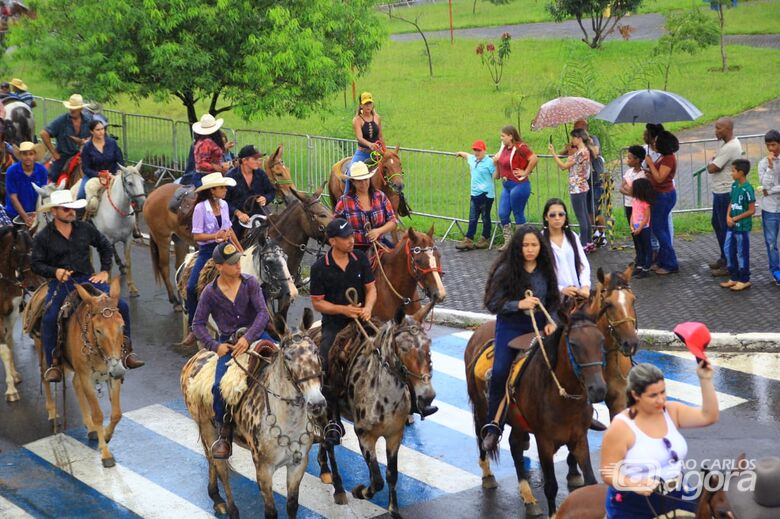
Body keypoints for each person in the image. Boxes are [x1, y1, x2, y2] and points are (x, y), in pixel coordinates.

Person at [31, 190, 144, 383]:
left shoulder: (84, 228)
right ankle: (53, 364)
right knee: (50, 317)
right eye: (66, 209)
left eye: (73, 208)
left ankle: (126, 352)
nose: (71, 212)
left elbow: (105, 245)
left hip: (87, 279)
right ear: (55, 212)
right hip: (61, 284)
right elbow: (36, 264)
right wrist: (55, 271)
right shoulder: (44, 237)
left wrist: (105, 271)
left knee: (122, 306)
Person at [600, 359, 719, 519]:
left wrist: (705, 380)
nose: (661, 400)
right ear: (636, 394)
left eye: (663, 392)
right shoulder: (621, 427)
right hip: (635, 504)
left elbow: (709, 416)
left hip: (677, 493)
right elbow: (608, 472)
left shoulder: (671, 411)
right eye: (653, 395)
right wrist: (633, 484)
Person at [481, 225, 559, 452]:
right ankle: (493, 426)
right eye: (525, 245)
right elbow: (492, 304)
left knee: (566, 360)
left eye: (534, 245)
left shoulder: (545, 270)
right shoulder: (506, 270)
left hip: (540, 328)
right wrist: (519, 304)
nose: (530, 249)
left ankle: (578, 413)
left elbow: (553, 301)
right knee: (500, 373)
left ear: (540, 247)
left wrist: (552, 321)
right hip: (511, 328)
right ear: (518, 246)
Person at [192, 241, 272, 459]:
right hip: (228, 343)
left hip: (256, 335)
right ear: (220, 267)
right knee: (219, 388)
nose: (238, 265)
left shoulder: (250, 283)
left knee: (289, 364)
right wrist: (215, 345)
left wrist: (248, 338)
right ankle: (224, 434)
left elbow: (263, 314)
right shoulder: (210, 293)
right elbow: (197, 324)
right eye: (232, 263)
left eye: (238, 261)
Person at [310, 217, 377, 440]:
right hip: (335, 324)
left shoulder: (360, 258)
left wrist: (368, 307)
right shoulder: (320, 267)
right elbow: (317, 302)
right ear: (332, 241)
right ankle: (332, 418)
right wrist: (343, 310)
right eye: (346, 237)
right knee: (326, 361)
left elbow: (371, 289)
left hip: (363, 320)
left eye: (351, 235)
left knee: (392, 346)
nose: (352, 240)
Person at [182, 173, 240, 345]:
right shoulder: (200, 208)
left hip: (226, 248)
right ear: (212, 190)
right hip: (208, 251)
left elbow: (229, 230)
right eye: (221, 187)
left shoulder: (224, 205)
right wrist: (215, 236)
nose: (225, 190)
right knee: (192, 287)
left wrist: (241, 249)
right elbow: (197, 235)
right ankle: (194, 327)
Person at [707, 118, 743, 277]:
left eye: (719, 128)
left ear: (728, 129)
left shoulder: (730, 147)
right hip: (720, 191)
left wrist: (711, 162)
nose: (716, 131)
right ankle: (725, 257)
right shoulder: (725, 144)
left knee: (725, 228)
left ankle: (730, 263)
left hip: (725, 193)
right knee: (717, 224)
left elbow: (712, 167)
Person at [334, 161, 397, 251]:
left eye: (365, 179)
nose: (363, 183)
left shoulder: (380, 196)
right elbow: (336, 225)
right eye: (359, 181)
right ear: (353, 182)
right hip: (353, 248)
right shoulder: (344, 201)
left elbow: (393, 221)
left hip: (379, 243)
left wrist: (378, 231)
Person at [494, 125, 538, 251]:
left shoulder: (520, 147)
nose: (501, 138)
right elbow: (499, 164)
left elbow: (534, 158)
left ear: (510, 136)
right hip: (506, 186)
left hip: (519, 185)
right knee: (503, 213)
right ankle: (508, 241)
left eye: (503, 136)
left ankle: (521, 243)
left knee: (518, 213)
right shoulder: (503, 148)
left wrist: (525, 172)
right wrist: (496, 163)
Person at [549, 128, 593, 251]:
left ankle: (583, 244)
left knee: (581, 217)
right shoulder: (585, 151)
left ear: (579, 138)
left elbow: (563, 167)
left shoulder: (580, 153)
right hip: (583, 185)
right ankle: (589, 241)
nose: (572, 140)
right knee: (585, 214)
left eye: (573, 137)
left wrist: (553, 153)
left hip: (576, 187)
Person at [644, 131, 680, 275]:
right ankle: (662, 260)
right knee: (660, 228)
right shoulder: (664, 157)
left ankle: (671, 263)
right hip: (659, 194)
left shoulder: (669, 159)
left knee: (659, 229)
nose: (654, 143)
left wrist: (650, 164)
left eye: (657, 141)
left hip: (664, 196)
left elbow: (660, 178)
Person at [541, 198, 590, 298]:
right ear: (546, 217)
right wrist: (561, 289)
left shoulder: (572, 237)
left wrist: (585, 286)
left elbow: (583, 264)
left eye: (561, 214)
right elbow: (540, 273)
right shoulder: (540, 240)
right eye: (552, 215)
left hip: (576, 294)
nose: (557, 218)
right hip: (552, 297)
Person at [225, 145, 275, 242]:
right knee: (232, 244)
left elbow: (271, 191)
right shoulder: (231, 176)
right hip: (237, 220)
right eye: (255, 158)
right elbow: (224, 201)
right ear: (244, 161)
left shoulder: (261, 174)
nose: (259, 161)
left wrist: (265, 198)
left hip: (260, 215)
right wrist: (238, 213)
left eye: (259, 158)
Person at [720, 159, 755, 292]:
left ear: (741, 172)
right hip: (732, 225)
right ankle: (734, 276)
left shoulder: (747, 188)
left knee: (742, 252)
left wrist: (735, 218)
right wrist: (728, 216)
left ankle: (744, 279)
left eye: (733, 171)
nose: (731, 173)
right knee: (728, 248)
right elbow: (731, 202)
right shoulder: (734, 185)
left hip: (742, 227)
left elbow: (752, 210)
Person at [40, 94, 92, 184]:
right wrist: (54, 152)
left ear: (80, 109)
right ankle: (51, 190)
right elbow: (43, 133)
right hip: (64, 155)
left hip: (84, 154)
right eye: (71, 107)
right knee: (54, 176)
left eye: (74, 108)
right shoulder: (62, 120)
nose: (71, 109)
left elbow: (95, 134)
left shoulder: (88, 120)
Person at [455, 139, 496, 250]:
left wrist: (498, 164)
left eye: (479, 150)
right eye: (475, 150)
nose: (476, 152)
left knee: (485, 216)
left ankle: (485, 238)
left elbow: (496, 176)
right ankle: (468, 239)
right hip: (474, 194)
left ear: (484, 150)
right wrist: (460, 153)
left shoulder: (490, 162)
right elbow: (467, 155)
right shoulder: (472, 159)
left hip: (486, 194)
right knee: (473, 217)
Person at [78, 120, 125, 204]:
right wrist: (99, 174)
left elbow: (120, 162)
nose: (101, 132)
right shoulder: (87, 147)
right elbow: (85, 168)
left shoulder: (112, 143)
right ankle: (80, 216)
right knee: (81, 195)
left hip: (113, 175)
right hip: (93, 176)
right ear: (91, 131)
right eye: (98, 130)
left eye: (102, 129)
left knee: (130, 190)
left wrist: (117, 173)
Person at [4, 141, 47, 228]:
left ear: (34, 156)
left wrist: (37, 213)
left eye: (31, 154)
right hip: (14, 213)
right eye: (24, 154)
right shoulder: (12, 171)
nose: (28, 157)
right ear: (20, 156)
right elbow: (13, 197)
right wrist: (25, 217)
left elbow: (43, 194)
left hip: (35, 212)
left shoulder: (42, 170)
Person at [184, 114, 232, 188]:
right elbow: (201, 163)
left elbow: (212, 155)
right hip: (206, 177)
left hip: (210, 175)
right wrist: (219, 167)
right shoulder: (206, 143)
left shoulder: (205, 141)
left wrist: (223, 149)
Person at [573, 119, 604, 227]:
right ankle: (591, 232)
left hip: (596, 177)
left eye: (578, 129)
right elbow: (566, 153)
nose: (575, 131)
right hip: (583, 180)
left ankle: (601, 233)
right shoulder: (576, 143)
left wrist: (586, 144)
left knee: (596, 207)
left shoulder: (593, 139)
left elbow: (595, 153)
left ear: (585, 128)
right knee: (586, 207)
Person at [758, 129, 780, 286]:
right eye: (768, 145)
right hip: (770, 209)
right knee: (771, 242)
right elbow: (764, 185)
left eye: (773, 145)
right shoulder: (763, 163)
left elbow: (767, 190)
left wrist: (770, 190)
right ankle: (776, 272)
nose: (771, 149)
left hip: (773, 201)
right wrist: (771, 168)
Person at [620, 145, 647, 263]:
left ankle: (644, 256)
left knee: (640, 232)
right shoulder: (628, 172)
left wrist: (630, 190)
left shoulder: (643, 174)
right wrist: (631, 191)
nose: (628, 160)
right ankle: (638, 255)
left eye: (630, 158)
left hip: (638, 209)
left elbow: (637, 192)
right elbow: (621, 187)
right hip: (628, 205)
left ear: (637, 159)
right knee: (633, 232)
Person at [629, 178, 656, 279]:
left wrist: (639, 228)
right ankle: (640, 266)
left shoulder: (645, 203)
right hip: (636, 228)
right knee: (639, 247)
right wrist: (631, 225)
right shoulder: (634, 201)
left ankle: (646, 268)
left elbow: (646, 218)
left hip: (644, 228)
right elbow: (633, 214)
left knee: (646, 247)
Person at [350, 92, 384, 168]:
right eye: (365, 104)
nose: (368, 106)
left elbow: (380, 136)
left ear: (372, 105)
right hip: (362, 153)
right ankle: (346, 180)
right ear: (361, 105)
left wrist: (385, 150)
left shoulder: (377, 118)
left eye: (370, 103)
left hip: (377, 153)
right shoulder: (357, 120)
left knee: (390, 169)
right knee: (351, 171)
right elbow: (359, 137)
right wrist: (370, 144)